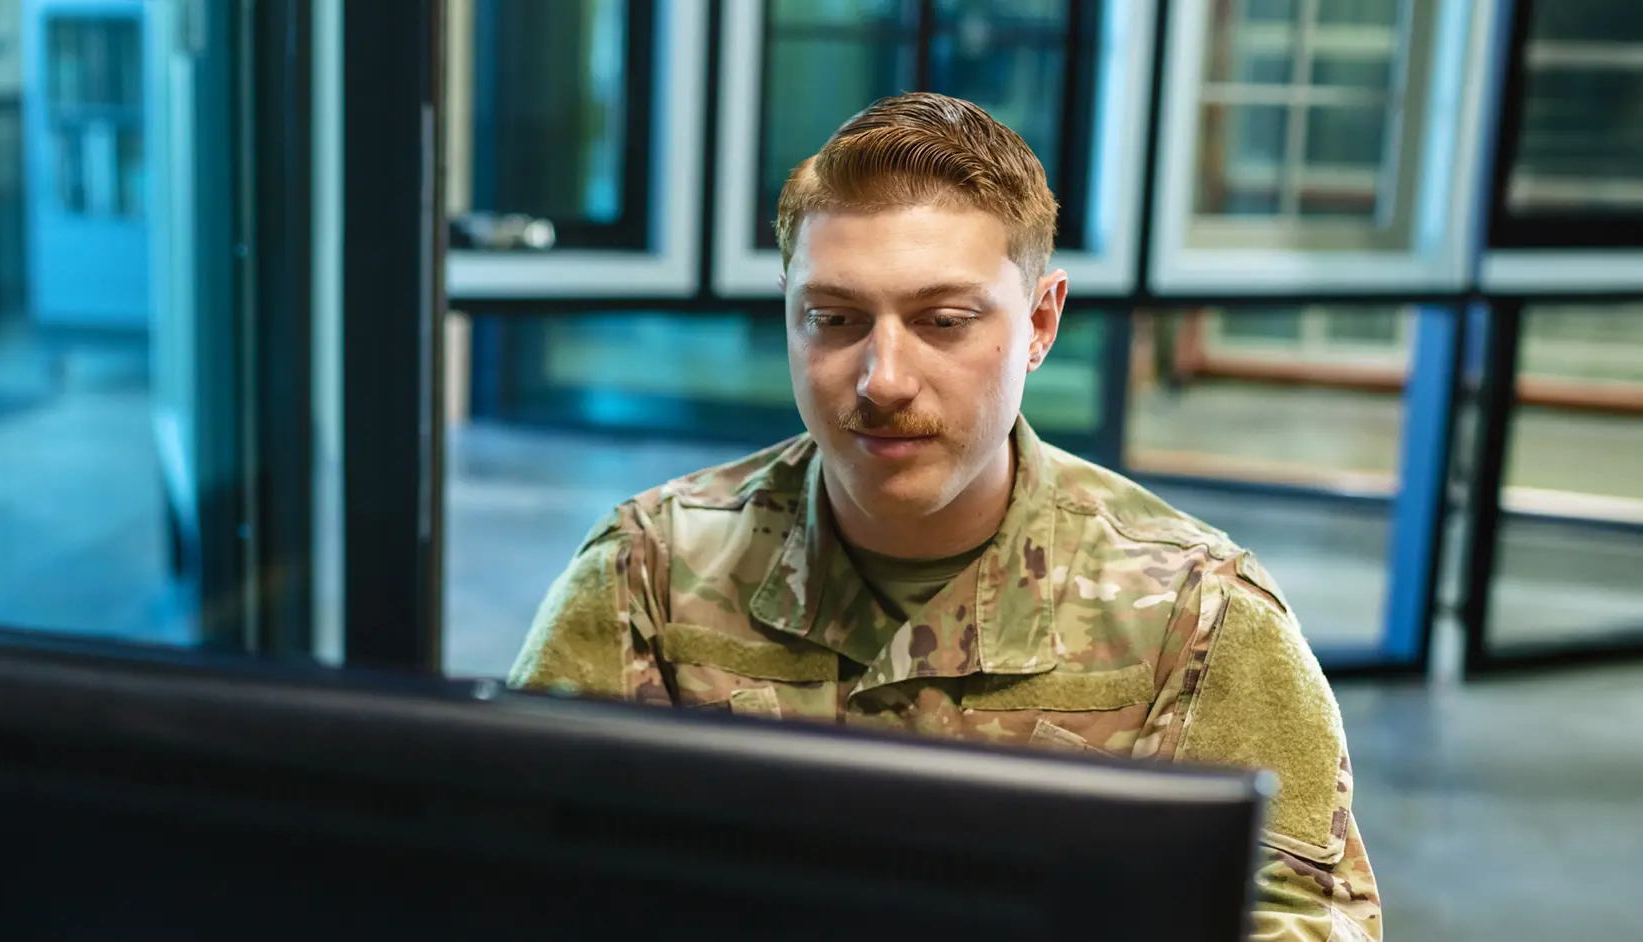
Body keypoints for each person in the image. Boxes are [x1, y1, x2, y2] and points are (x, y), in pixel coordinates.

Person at [508, 92, 1381, 941]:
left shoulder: (1196, 618)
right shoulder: (648, 574)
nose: (882, 377)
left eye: (944, 321)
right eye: (834, 319)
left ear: (1040, 324)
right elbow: (511, 878)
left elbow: (1294, 917)